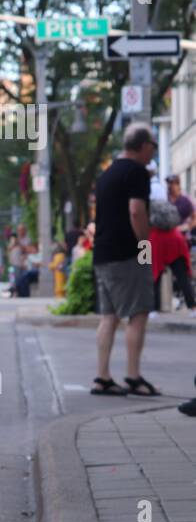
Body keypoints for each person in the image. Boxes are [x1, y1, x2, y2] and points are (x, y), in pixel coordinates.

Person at [91, 122, 160, 397]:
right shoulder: (137, 172)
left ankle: (103, 376)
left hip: (103, 253)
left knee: (109, 316)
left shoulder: (106, 174)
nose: (153, 151)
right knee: (139, 312)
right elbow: (136, 211)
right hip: (127, 253)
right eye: (152, 146)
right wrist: (144, 246)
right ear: (143, 146)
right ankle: (133, 376)